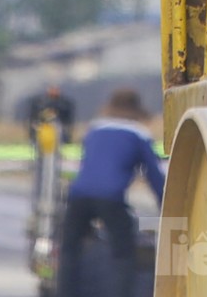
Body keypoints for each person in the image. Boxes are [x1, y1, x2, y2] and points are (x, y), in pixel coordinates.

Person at [58, 87, 164, 297]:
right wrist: (167, 205)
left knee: (70, 249)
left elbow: (87, 164)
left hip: (79, 195)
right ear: (138, 108)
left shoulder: (95, 128)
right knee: (123, 253)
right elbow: (154, 175)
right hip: (110, 198)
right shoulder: (138, 133)